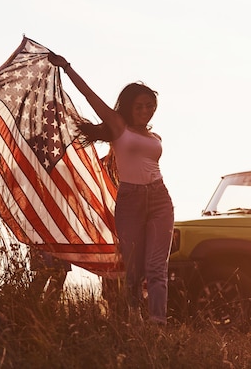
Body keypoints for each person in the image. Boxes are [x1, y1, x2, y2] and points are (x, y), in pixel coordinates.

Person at [49, 53, 174, 325]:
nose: (146, 111)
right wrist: (67, 68)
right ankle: (134, 314)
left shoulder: (155, 137)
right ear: (129, 107)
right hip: (130, 201)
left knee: (156, 267)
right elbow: (90, 96)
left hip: (160, 199)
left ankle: (158, 324)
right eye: (140, 106)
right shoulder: (119, 127)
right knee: (133, 268)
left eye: (150, 106)